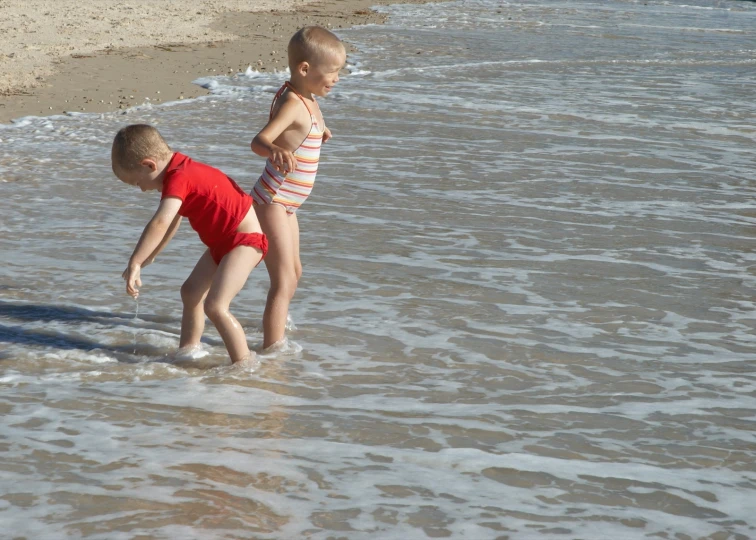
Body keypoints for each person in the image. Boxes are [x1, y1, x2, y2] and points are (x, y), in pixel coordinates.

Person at [113, 124, 268, 365]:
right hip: (222, 243)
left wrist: (134, 261)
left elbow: (161, 221)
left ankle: (245, 366)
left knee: (216, 306)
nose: (142, 189)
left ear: (149, 165)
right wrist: (150, 255)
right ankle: (188, 351)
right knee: (191, 292)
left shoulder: (179, 177)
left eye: (137, 183)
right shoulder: (179, 170)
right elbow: (174, 219)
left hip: (244, 241)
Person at [250, 26, 346, 349]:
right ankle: (272, 349)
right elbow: (260, 141)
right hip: (272, 199)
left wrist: (321, 132)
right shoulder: (293, 102)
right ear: (305, 69)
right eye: (332, 72)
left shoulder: (308, 97)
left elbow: (304, 128)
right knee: (283, 278)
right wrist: (275, 149)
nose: (336, 78)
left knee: (296, 271)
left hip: (289, 202)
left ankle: (280, 321)